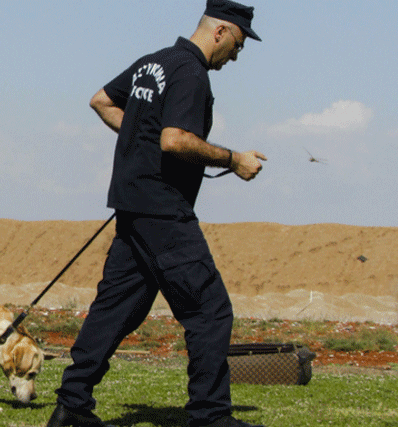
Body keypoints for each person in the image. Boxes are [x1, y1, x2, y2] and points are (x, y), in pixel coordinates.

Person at [47, 1, 266, 427]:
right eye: (237, 45)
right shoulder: (191, 72)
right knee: (210, 312)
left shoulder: (154, 64)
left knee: (115, 311)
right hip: (164, 213)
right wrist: (233, 159)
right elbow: (175, 139)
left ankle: (71, 407)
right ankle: (211, 417)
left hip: (133, 206)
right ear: (220, 32)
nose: (236, 55)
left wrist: (140, 135)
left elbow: (101, 101)